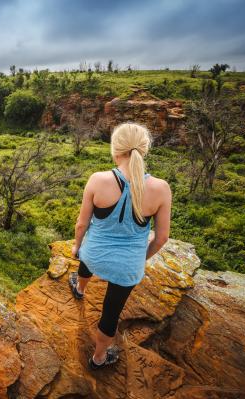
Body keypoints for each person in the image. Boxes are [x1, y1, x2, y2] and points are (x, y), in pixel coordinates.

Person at [69, 122, 172, 370]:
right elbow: (161, 238)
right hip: (127, 268)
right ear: (144, 150)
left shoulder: (98, 180)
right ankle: (99, 358)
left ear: (116, 150)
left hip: (92, 255)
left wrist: (76, 247)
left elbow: (82, 225)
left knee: (89, 250)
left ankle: (80, 288)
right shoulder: (160, 188)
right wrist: (139, 259)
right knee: (111, 312)